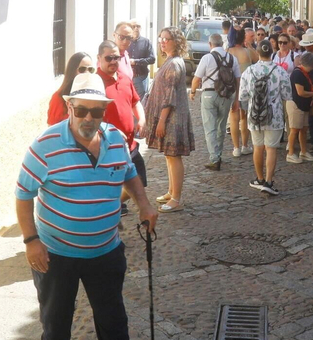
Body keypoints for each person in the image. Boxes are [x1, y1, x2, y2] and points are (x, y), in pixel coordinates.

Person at [16, 73, 158, 340]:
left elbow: (129, 173)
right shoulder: (44, 146)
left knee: (112, 316)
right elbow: (23, 196)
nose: (89, 119)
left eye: (96, 112)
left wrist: (145, 204)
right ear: (69, 106)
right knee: (57, 312)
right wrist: (30, 241)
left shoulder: (116, 140)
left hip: (105, 248)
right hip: (56, 251)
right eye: (81, 111)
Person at [145, 29, 193, 211]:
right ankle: (171, 191)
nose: (162, 42)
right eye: (161, 39)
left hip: (173, 118)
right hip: (171, 116)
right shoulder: (171, 60)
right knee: (169, 155)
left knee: (173, 156)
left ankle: (176, 199)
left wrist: (161, 120)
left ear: (177, 41)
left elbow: (169, 95)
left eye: (167, 39)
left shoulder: (173, 64)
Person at [238, 40, 291, 196]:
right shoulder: (280, 71)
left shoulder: (249, 71)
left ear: (258, 53)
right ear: (272, 51)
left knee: (258, 147)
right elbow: (287, 95)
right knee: (271, 148)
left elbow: (243, 95)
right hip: (274, 115)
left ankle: (259, 178)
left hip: (255, 114)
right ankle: (268, 181)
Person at [95, 42, 146, 191]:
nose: (113, 61)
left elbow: (135, 102)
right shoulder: (95, 82)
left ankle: (118, 203)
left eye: (116, 58)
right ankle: (117, 205)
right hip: (108, 146)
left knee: (140, 179)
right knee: (114, 185)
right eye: (108, 58)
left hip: (129, 144)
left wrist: (141, 119)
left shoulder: (124, 78)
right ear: (99, 58)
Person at [190, 32, 240, 171]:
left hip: (209, 95)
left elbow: (196, 78)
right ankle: (218, 154)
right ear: (222, 44)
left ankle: (214, 158)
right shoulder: (232, 58)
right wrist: (236, 99)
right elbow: (237, 80)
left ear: (210, 44)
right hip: (226, 95)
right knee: (221, 127)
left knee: (210, 128)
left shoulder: (207, 58)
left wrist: (193, 91)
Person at [226, 27, 257, 158]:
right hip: (246, 88)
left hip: (231, 87)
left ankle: (236, 147)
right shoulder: (247, 52)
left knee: (234, 118)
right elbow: (259, 58)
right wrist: (249, 46)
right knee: (244, 118)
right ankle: (245, 145)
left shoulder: (227, 52)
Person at [286, 51, 313, 163]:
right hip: (296, 104)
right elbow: (300, 92)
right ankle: (290, 153)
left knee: (304, 129)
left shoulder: (303, 73)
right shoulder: (298, 73)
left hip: (303, 105)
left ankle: (303, 151)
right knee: (294, 129)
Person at [49, 52, 97, 126]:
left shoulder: (96, 95)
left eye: (90, 69)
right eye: (82, 69)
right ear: (72, 71)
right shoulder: (58, 98)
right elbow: (52, 128)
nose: (87, 73)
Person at [126, 22, 153, 101]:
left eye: (138, 26)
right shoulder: (125, 42)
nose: (136, 28)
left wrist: (136, 62)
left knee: (141, 103)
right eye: (133, 26)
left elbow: (152, 59)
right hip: (127, 78)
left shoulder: (146, 42)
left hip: (141, 77)